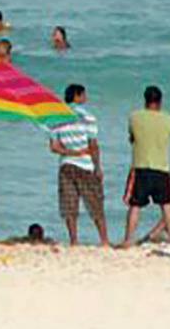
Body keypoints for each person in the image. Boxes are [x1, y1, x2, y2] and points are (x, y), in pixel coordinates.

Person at [50, 84, 111, 247]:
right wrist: (98, 167)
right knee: (95, 203)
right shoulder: (88, 117)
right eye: (83, 95)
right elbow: (93, 145)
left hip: (66, 165)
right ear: (77, 96)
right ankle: (104, 240)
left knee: (69, 205)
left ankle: (74, 241)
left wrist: (70, 153)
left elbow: (54, 147)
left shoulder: (56, 118)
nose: (86, 97)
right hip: (85, 165)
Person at [120, 86, 170, 247]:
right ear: (160, 101)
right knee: (166, 205)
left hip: (141, 166)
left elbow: (132, 138)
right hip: (162, 167)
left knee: (135, 206)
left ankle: (128, 239)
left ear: (145, 100)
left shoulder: (135, 117)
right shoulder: (169, 119)